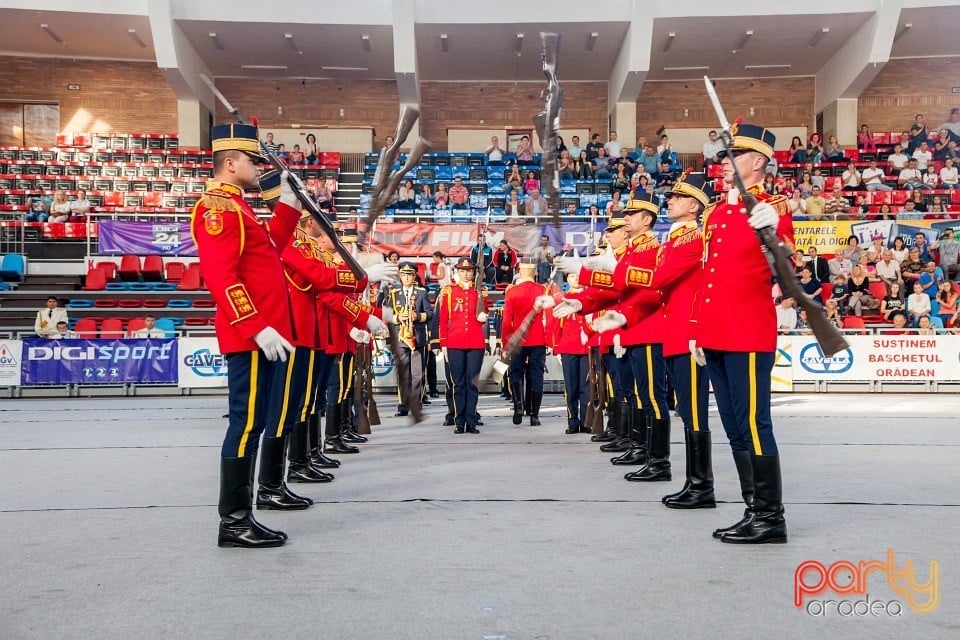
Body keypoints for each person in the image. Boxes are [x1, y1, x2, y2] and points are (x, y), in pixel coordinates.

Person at [193, 122, 301, 549]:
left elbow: (269, 252)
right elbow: (222, 276)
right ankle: (234, 521)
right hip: (253, 335)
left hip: (266, 333)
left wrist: (289, 205)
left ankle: (243, 514)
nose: (259, 167)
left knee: (254, 424)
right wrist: (255, 326)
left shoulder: (240, 207)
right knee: (245, 425)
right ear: (230, 163)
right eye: (253, 161)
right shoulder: (217, 209)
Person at [687, 122, 792, 544]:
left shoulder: (773, 208)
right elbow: (707, 276)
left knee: (754, 422)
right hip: (716, 333)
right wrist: (697, 329)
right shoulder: (716, 212)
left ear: (756, 162)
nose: (722, 165)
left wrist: (774, 232)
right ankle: (753, 509)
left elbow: (787, 266)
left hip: (747, 332)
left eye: (732, 157)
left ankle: (771, 516)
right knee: (733, 423)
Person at [437, 258, 489, 433]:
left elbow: (484, 313)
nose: (466, 273)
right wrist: (443, 343)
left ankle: (471, 420)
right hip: (454, 342)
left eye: (469, 270)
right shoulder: (449, 291)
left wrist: (484, 315)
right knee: (458, 384)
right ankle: (459, 421)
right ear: (457, 272)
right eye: (462, 270)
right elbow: (443, 319)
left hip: (475, 343)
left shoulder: (479, 292)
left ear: (473, 272)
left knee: (472, 384)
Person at [502, 259, 551, 426]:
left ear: (520, 271)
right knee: (536, 375)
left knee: (516, 373)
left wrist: (505, 343)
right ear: (534, 271)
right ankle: (534, 414)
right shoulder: (543, 290)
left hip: (517, 339)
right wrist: (550, 340)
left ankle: (518, 407)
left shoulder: (512, 291)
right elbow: (549, 317)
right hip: (537, 339)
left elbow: (507, 320)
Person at [380, 262, 433, 417]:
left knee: (417, 373)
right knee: (403, 373)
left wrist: (417, 316)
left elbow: (430, 314)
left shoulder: (421, 293)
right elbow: (387, 315)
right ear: (400, 276)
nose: (407, 277)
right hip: (400, 336)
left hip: (417, 336)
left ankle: (416, 403)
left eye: (410, 275)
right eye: (404, 275)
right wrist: (398, 317)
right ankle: (403, 405)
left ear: (414, 276)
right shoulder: (394, 293)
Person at [549, 273, 590, 434]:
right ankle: (573, 421)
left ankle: (586, 421)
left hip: (586, 348)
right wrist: (557, 348)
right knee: (571, 388)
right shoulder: (563, 300)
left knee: (586, 388)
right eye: (572, 276)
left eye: (579, 276)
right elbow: (556, 327)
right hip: (568, 347)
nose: (576, 279)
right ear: (567, 280)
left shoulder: (590, 298)